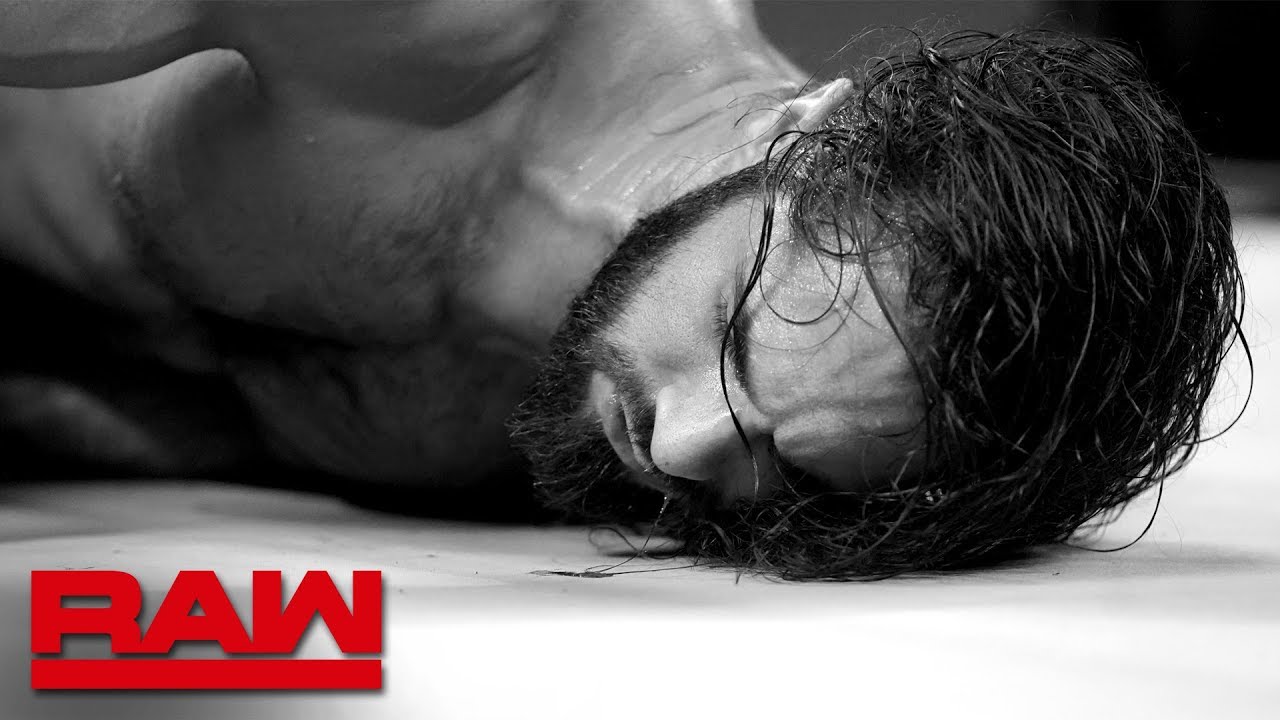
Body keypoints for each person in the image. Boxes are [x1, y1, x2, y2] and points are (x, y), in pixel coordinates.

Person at [0, 1, 1245, 578]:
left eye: (789, 466)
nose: (685, 447)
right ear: (814, 135)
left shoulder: (654, 476)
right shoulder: (457, 29)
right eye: (737, 337)